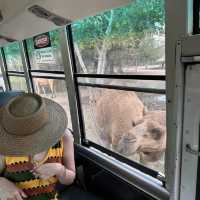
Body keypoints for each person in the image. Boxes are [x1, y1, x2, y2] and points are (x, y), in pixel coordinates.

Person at [0, 93, 75, 200]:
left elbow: (70, 178)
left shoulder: (64, 137)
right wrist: (2, 183)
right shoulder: (5, 148)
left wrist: (60, 170)